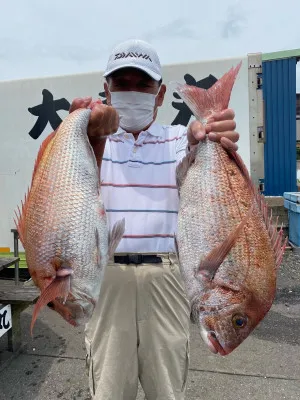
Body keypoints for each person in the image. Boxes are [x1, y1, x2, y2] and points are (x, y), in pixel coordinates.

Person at [69, 39, 240, 400]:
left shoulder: (176, 138)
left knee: (167, 389)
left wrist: (205, 134)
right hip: (107, 277)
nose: (132, 91)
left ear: (160, 95)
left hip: (168, 277)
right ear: (107, 90)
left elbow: (194, 147)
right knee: (110, 390)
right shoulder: (89, 143)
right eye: (122, 83)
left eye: (143, 84)